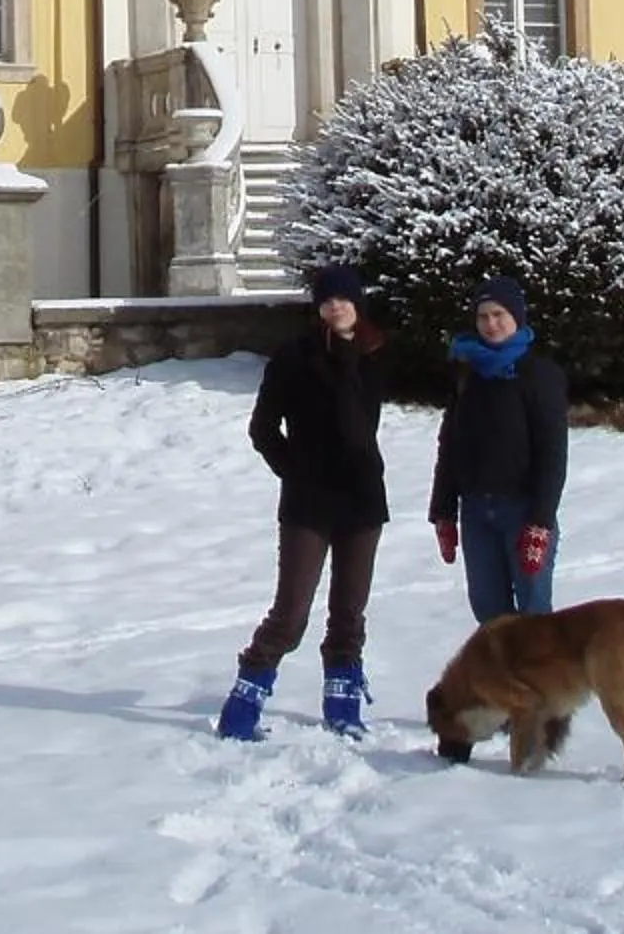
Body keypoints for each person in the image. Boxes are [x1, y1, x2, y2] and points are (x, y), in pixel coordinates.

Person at [215, 265, 389, 741]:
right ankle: (244, 701)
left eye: (344, 300)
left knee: (349, 612)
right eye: (327, 301)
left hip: (363, 500)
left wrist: (351, 360)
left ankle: (342, 700)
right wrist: (295, 469)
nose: (336, 307)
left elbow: (360, 425)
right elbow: (263, 429)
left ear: (358, 304)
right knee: (290, 614)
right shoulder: (294, 358)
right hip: (308, 502)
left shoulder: (374, 352)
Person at [428, 274, 568, 623]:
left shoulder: (540, 375)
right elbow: (450, 444)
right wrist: (443, 511)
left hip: (522, 511)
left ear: (517, 317)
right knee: (491, 619)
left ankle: (542, 680)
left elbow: (553, 453)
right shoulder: (467, 373)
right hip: (476, 512)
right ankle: (504, 681)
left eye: (499, 315)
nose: (491, 324)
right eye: (483, 316)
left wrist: (540, 522)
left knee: (534, 618)